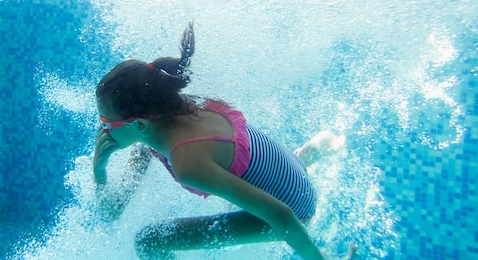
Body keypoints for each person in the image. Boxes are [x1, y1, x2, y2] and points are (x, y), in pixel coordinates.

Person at [93, 23, 356, 260]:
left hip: (294, 213)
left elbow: (282, 217)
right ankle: (313, 151)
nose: (101, 131)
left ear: (139, 123)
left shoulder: (188, 163)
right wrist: (100, 170)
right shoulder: (179, 108)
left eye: (105, 123)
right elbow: (111, 213)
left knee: (149, 242)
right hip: (292, 173)